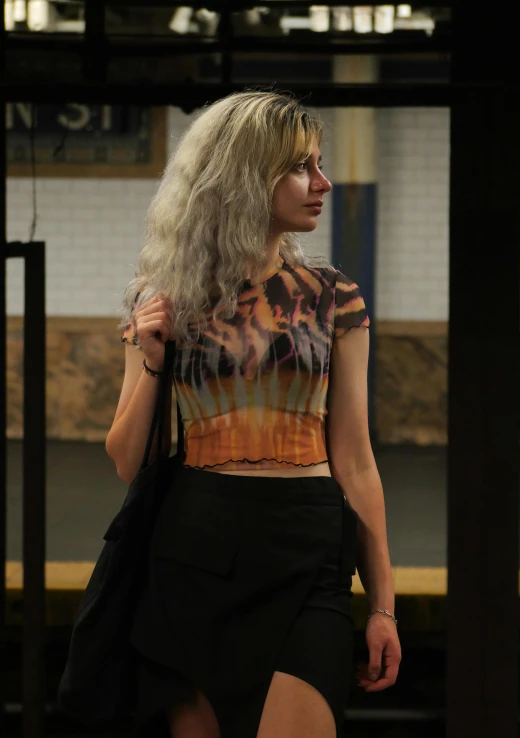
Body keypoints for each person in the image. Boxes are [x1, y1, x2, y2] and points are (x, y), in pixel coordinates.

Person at [106, 90, 401, 738]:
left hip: (307, 552)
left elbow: (354, 457)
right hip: (192, 552)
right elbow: (129, 460)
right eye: (303, 167)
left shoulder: (333, 297)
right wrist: (154, 357)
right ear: (246, 177)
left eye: (319, 165)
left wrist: (383, 605)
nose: (323, 182)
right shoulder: (165, 300)